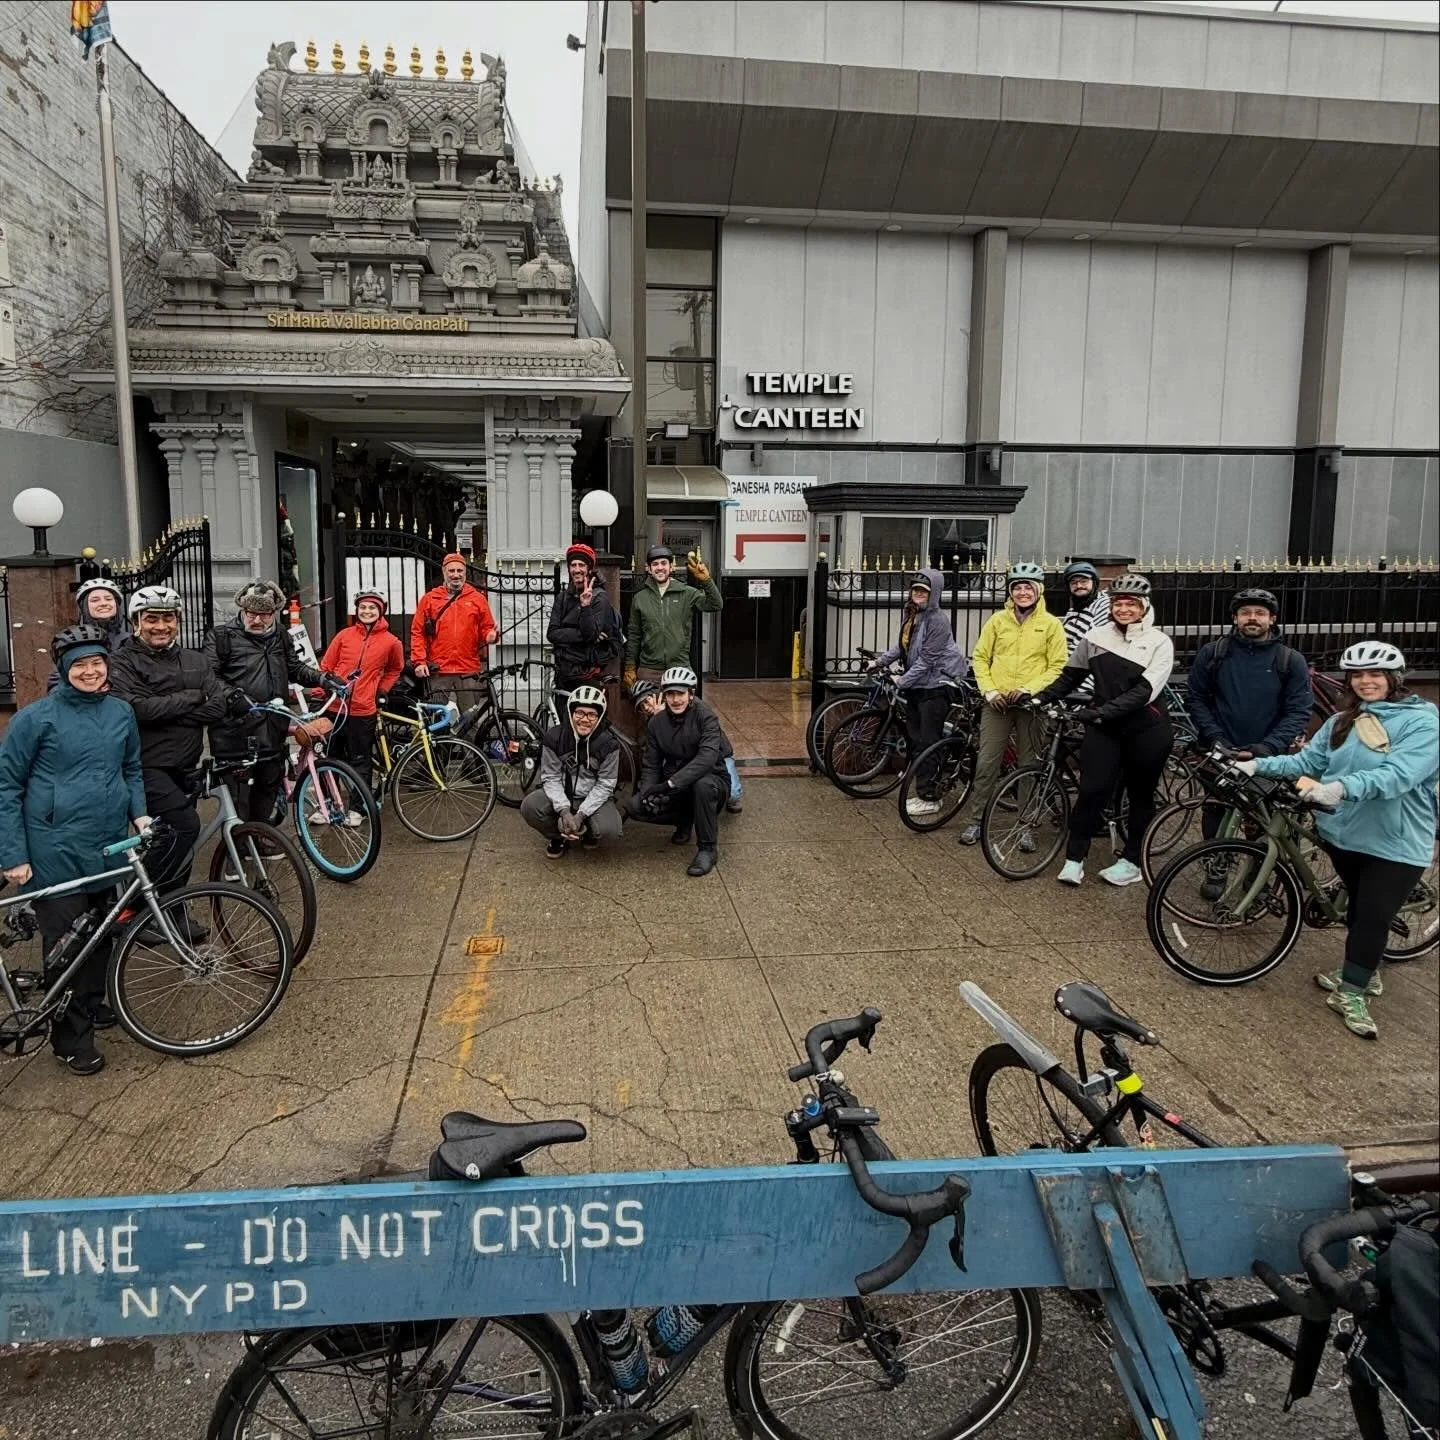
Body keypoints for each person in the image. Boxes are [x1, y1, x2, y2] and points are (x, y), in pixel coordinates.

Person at [1242, 640, 1438, 1041]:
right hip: (1346, 833)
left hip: (1396, 840)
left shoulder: (1422, 723)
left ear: (1393, 679)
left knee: (1372, 916)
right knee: (1355, 908)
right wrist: (1256, 763)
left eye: (1375, 674)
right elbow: (1307, 763)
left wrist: (1340, 788)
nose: (1366, 681)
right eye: (1358, 676)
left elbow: (1399, 775)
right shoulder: (1341, 722)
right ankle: (1363, 970)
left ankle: (1352, 992)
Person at [0, 626, 152, 1075]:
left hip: (108, 843)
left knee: (103, 931)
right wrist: (13, 855)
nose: (89, 671)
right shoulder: (35, 719)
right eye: (79, 665)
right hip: (55, 845)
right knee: (67, 942)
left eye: (96, 663)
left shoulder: (121, 712)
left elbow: (131, 769)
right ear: (65, 671)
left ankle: (90, 1003)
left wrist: (139, 815)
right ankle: (70, 1038)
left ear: (107, 666)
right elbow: (7, 785)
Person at [1034, 574, 1174, 888]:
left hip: (1146, 730)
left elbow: (1143, 693)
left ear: (1143, 607)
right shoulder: (1095, 636)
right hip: (1104, 727)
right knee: (1091, 791)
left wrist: (1098, 712)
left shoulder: (1158, 642)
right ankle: (1074, 860)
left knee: (1140, 795)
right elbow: (1070, 677)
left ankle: (1132, 860)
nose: (1124, 609)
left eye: (1131, 604)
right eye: (1118, 603)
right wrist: (1039, 697)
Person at [107, 586, 228, 912]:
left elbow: (217, 706)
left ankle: (173, 910)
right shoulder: (121, 661)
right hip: (147, 765)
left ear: (178, 621)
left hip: (186, 764)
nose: (161, 626)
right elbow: (136, 710)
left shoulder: (195, 659)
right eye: (151, 619)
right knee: (185, 826)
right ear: (136, 622)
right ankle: (134, 908)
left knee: (176, 844)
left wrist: (164, 710)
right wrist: (191, 698)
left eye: (168, 619)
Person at [204, 580, 338, 824]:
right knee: (238, 796)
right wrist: (233, 696)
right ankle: (238, 845)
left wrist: (324, 678)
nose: (257, 620)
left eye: (264, 615)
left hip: (272, 727)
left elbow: (295, 668)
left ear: (273, 613)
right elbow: (210, 677)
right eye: (251, 613)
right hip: (236, 730)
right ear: (242, 610)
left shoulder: (281, 635)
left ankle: (261, 835)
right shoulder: (221, 637)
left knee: (268, 785)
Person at [957, 562, 1068, 844]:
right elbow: (980, 657)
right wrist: (990, 691)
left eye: (1028, 587)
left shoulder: (1051, 625)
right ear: (1010, 592)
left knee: (1029, 765)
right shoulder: (997, 621)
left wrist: (1028, 689)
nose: (1022, 593)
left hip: (1031, 705)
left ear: (1038, 591)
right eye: (1017, 588)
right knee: (987, 763)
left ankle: (1026, 825)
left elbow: (1057, 666)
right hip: (997, 703)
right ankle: (975, 820)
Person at [1187, 588, 1312, 831]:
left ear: (1272, 619)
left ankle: (1260, 868)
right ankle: (1215, 866)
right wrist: (1215, 736)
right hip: (1220, 751)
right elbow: (1196, 699)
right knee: (1215, 812)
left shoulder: (1290, 660)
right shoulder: (1213, 653)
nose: (1252, 618)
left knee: (1263, 822)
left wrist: (1269, 746)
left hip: (1269, 756)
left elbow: (1299, 710)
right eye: (1245, 613)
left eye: (1259, 613)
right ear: (1235, 618)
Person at [867, 568, 968, 817]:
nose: (918, 594)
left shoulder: (938, 620)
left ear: (933, 594)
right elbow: (902, 647)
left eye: (924, 591)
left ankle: (930, 797)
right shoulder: (912, 614)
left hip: (937, 685)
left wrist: (902, 680)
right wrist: (880, 662)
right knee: (916, 740)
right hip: (918, 685)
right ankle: (925, 785)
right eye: (915, 590)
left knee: (927, 742)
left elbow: (928, 661)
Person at [626, 666, 730, 877]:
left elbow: (706, 759)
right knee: (635, 806)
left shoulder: (706, 718)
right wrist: (648, 792)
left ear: (691, 694)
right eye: (671, 694)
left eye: (680, 693)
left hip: (711, 781)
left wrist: (669, 784)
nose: (676, 699)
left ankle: (707, 849)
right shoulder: (656, 723)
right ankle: (684, 821)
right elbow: (652, 764)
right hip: (676, 783)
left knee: (703, 786)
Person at [520, 685, 625, 857]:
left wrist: (582, 814)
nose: (585, 719)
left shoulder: (610, 745)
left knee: (611, 830)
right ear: (571, 713)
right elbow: (551, 777)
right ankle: (557, 836)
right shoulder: (553, 738)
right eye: (579, 713)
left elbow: (605, 785)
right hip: (562, 792)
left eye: (592, 714)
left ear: (599, 718)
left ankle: (589, 832)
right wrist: (564, 811)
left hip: (591, 795)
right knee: (529, 806)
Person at [319, 588, 404, 782]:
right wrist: (320, 691)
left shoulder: (391, 642)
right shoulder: (344, 635)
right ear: (356, 610)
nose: (367, 611)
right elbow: (327, 666)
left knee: (360, 760)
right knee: (330, 758)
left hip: (363, 710)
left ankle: (358, 808)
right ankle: (328, 805)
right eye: (363, 607)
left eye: (372, 607)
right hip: (335, 707)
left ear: (380, 611)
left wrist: (382, 689)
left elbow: (394, 669)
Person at [622, 545, 722, 690]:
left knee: (680, 710)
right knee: (651, 711)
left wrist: (706, 580)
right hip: (649, 670)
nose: (660, 567)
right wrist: (630, 666)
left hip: (680, 667)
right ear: (649, 569)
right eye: (655, 564)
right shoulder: (640, 598)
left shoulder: (687, 593)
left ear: (671, 567)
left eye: (664, 563)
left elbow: (715, 605)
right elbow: (634, 634)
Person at [410, 553, 500, 711]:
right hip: (439, 668)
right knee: (436, 718)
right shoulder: (430, 599)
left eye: (460, 571)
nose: (456, 575)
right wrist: (419, 661)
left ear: (465, 573)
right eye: (451, 571)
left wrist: (490, 637)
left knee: (470, 718)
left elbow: (487, 628)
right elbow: (418, 632)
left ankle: (466, 737)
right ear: (444, 572)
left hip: (468, 669)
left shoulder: (477, 599)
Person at [547, 543, 623, 693]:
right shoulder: (562, 597)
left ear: (589, 568)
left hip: (587, 673)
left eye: (581, 565)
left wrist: (586, 606)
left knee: (587, 715)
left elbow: (589, 635)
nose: (576, 569)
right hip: (564, 671)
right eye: (573, 565)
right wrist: (580, 633)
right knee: (564, 715)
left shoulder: (599, 597)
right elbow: (552, 633)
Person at [45, 578, 128, 693]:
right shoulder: (72, 640)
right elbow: (56, 683)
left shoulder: (130, 640)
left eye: (109, 599)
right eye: (95, 600)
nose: (103, 603)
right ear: (84, 606)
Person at [1058, 561, 1110, 661]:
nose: (1079, 586)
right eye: (1073, 583)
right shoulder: (1074, 610)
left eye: (1084, 581)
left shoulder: (1103, 604)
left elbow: (1094, 644)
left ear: (1094, 582)